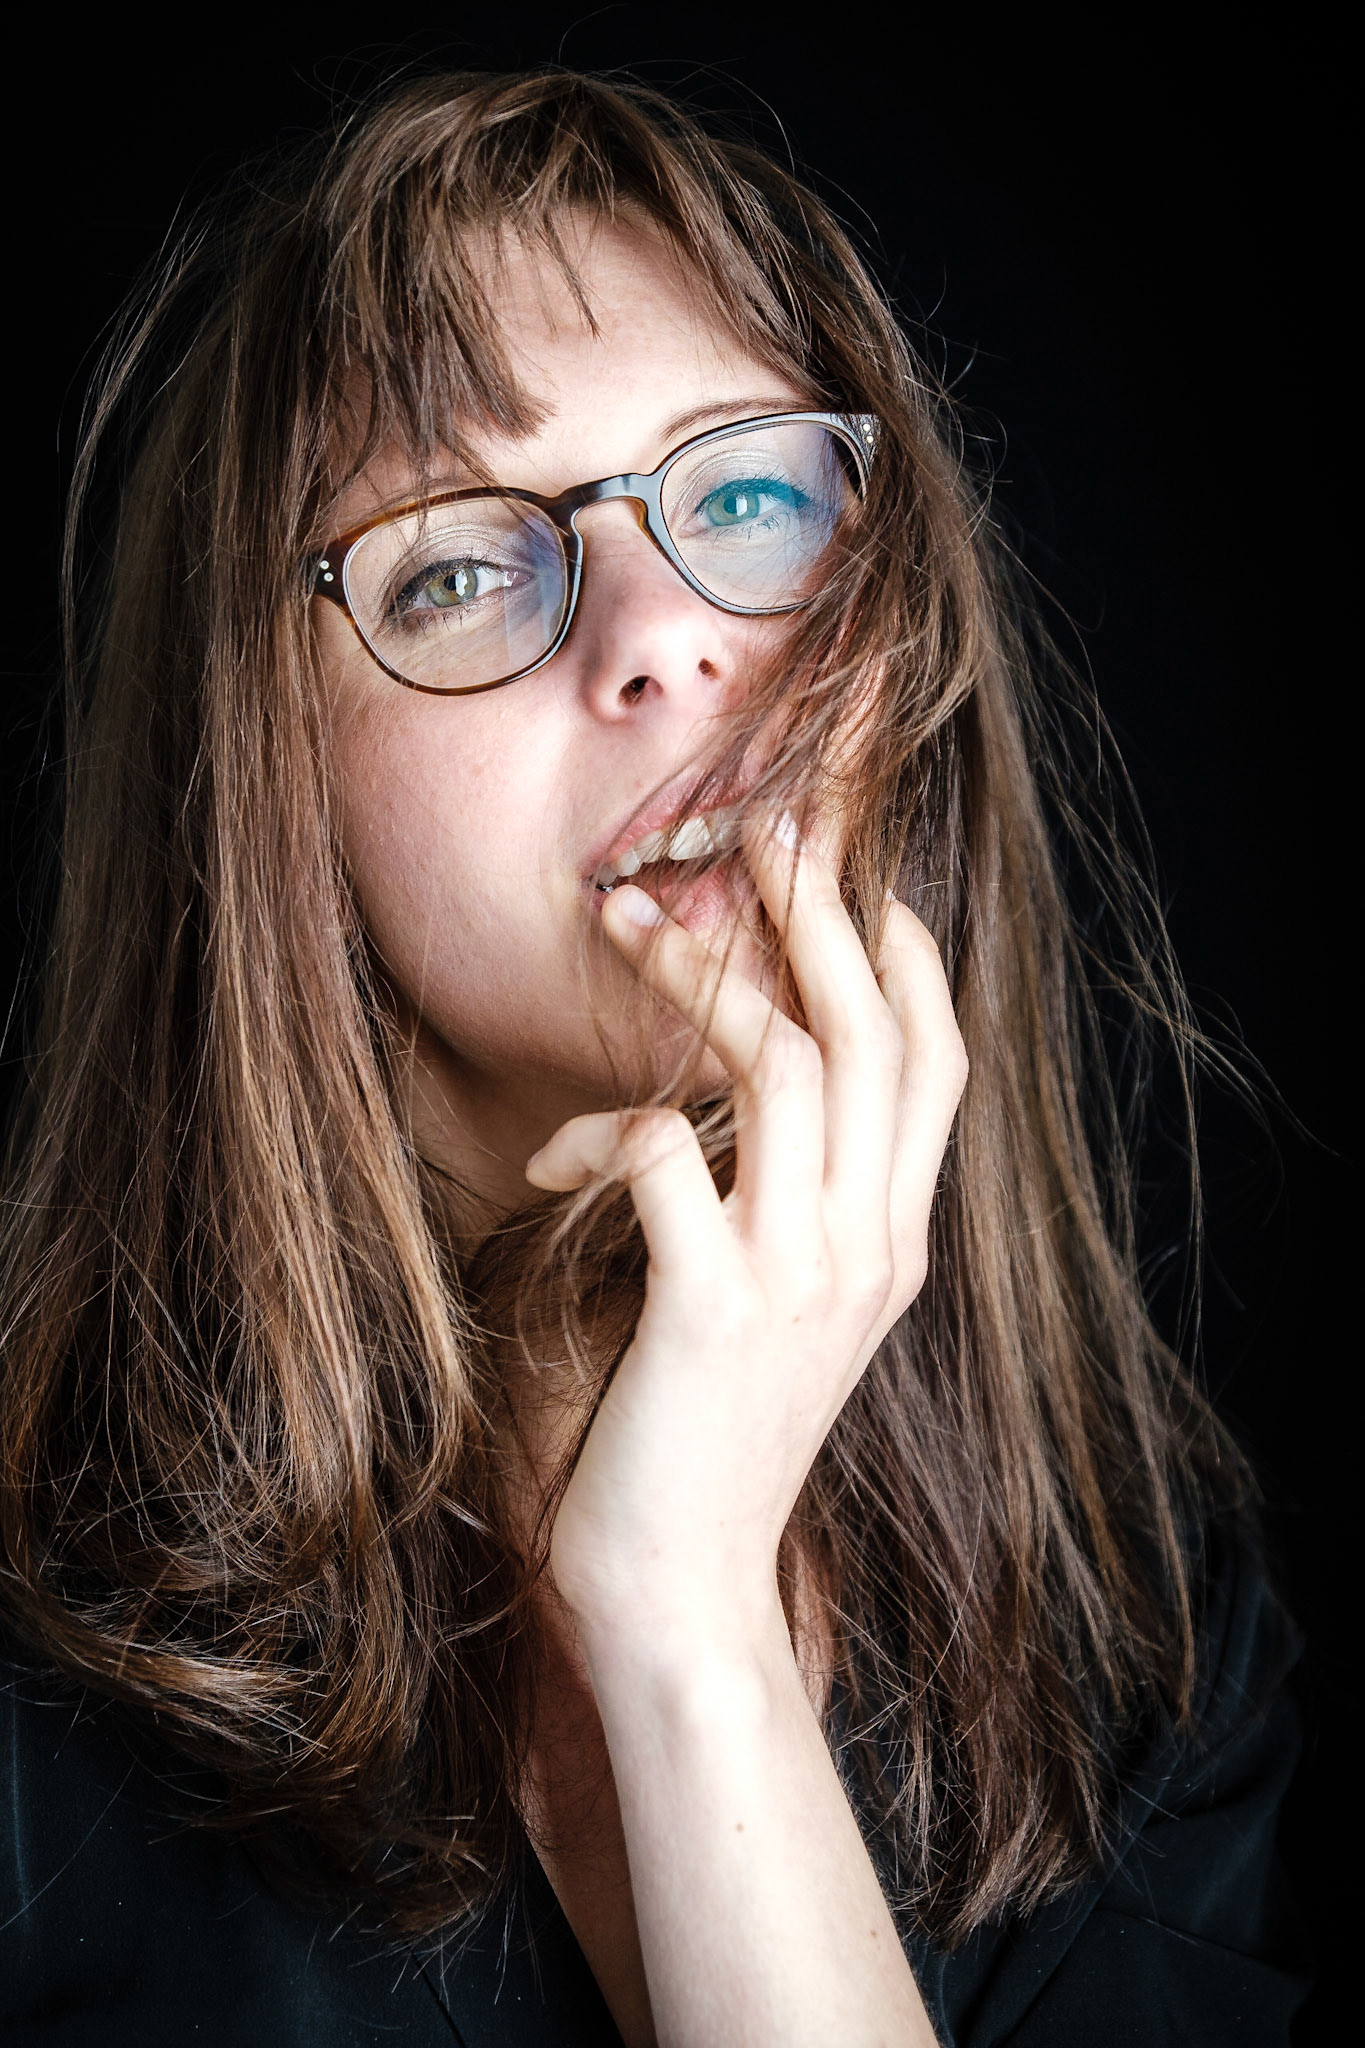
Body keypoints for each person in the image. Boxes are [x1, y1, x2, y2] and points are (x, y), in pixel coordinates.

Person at [0, 68, 1306, 2047]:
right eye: (456, 565)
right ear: (259, 780)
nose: (665, 634)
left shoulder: (1156, 1640)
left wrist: (684, 1611)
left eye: (745, 495)